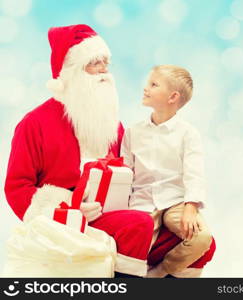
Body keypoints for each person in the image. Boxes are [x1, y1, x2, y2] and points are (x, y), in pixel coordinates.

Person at [4, 24, 154, 277]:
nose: (104, 71)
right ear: (71, 72)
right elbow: (17, 187)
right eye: (94, 64)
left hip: (114, 213)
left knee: (185, 239)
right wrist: (65, 208)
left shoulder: (112, 125)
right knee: (138, 225)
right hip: (67, 219)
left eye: (105, 63)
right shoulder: (34, 123)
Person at [121, 65, 214, 278]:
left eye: (153, 85)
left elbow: (194, 173)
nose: (145, 89)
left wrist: (191, 207)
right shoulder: (133, 132)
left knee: (202, 237)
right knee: (134, 243)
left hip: (175, 202)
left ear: (173, 97)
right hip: (142, 202)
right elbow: (125, 172)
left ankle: (159, 273)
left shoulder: (188, 134)